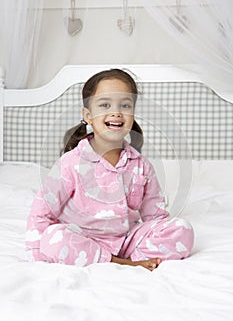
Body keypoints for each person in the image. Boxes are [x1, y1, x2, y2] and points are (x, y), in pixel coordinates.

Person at [26, 69, 194, 271]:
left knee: (182, 229)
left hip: (126, 241)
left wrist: (159, 233)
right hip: (81, 239)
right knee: (53, 238)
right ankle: (123, 264)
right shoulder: (70, 164)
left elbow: (155, 217)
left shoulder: (141, 166)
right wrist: (38, 254)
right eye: (105, 105)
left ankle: (129, 259)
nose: (116, 112)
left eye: (125, 105)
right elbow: (41, 214)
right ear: (88, 115)